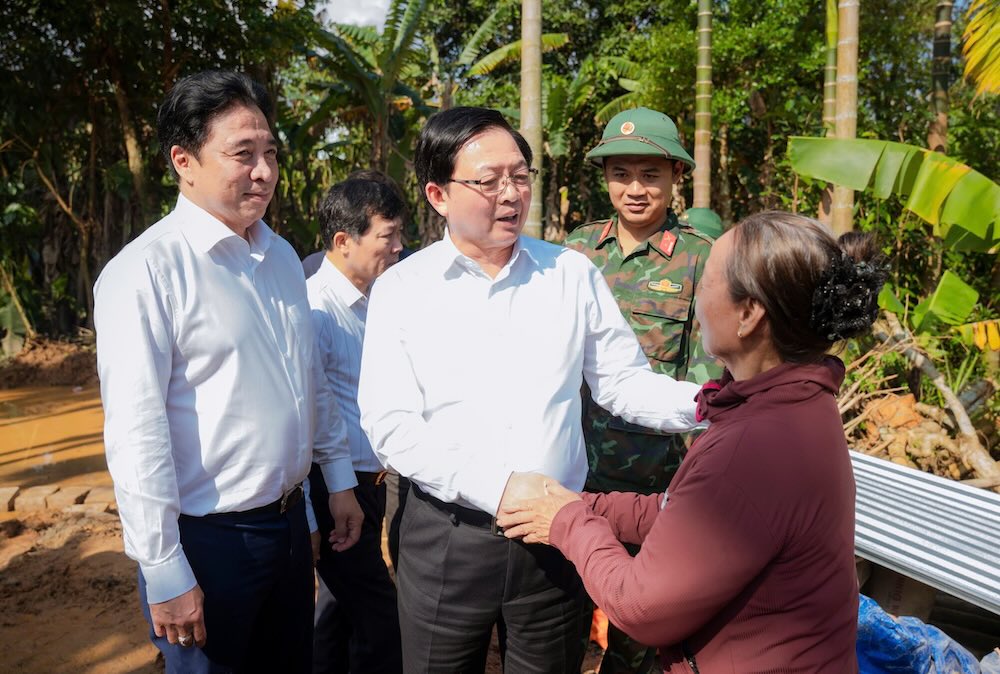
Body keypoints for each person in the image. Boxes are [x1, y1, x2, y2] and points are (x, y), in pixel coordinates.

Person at [357, 106, 703, 674]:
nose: (510, 194)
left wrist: (710, 405)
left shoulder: (569, 273)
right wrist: (500, 489)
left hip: (556, 539)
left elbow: (621, 383)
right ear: (439, 195)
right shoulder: (403, 289)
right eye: (488, 181)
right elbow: (392, 427)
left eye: (519, 176)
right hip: (449, 540)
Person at [498, 211, 888, 673]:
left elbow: (639, 605)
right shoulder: (789, 406)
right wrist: (578, 504)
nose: (695, 294)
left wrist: (566, 523)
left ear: (748, 314)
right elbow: (675, 513)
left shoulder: (753, 447)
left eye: (706, 280)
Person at [94, 70, 361, 673]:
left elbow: (308, 382)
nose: (264, 171)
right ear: (184, 160)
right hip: (208, 544)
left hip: (291, 526)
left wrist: (332, 487)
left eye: (270, 153)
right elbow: (137, 434)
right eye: (243, 154)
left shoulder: (283, 258)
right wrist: (163, 568)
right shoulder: (144, 273)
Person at [564, 107, 723, 673]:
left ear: (675, 178)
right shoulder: (576, 251)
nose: (635, 189)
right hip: (574, 469)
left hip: (650, 484)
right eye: (621, 173)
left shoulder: (700, 257)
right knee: (560, 618)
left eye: (650, 174)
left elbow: (708, 381)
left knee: (634, 630)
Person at [306, 174, 404, 674]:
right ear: (344, 241)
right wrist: (326, 496)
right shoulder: (316, 310)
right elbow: (311, 412)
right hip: (336, 488)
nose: (399, 247)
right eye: (388, 236)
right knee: (381, 615)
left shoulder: (374, 300)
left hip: (369, 483)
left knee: (340, 607)